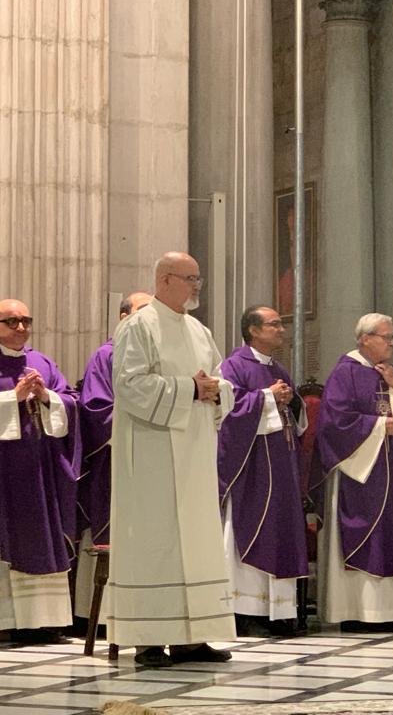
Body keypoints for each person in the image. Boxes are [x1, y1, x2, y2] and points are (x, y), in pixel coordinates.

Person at [108, 252, 235, 668]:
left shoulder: (199, 329)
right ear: (164, 280)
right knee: (154, 542)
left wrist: (217, 390)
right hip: (151, 454)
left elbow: (219, 379)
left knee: (195, 543)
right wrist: (188, 389)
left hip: (195, 453)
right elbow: (130, 386)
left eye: (199, 278)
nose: (197, 285)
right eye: (190, 278)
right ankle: (148, 640)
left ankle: (191, 637)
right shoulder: (137, 326)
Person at [0, 299, 80, 644]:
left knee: (42, 538)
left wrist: (45, 395)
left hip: (40, 473)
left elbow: (70, 402)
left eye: (25, 320)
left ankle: (42, 621)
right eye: (11, 321)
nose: (20, 327)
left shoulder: (43, 362)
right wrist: (13, 396)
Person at [315, 313, 393, 631]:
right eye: (385, 337)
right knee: (366, 534)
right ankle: (360, 612)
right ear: (364, 338)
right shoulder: (344, 373)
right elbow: (335, 423)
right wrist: (380, 425)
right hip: (361, 473)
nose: (391, 342)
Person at [218, 305, 308, 637]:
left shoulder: (278, 368)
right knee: (252, 531)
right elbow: (227, 413)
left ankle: (280, 613)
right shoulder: (233, 367)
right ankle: (246, 611)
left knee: (281, 532)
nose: (281, 330)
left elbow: (296, 418)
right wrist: (267, 398)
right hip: (251, 469)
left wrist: (291, 401)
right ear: (253, 330)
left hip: (281, 466)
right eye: (274, 324)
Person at [72, 291, 152, 631]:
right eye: (144, 312)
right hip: (115, 462)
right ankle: (100, 617)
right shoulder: (107, 356)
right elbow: (96, 409)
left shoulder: (157, 355)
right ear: (123, 316)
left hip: (151, 462)